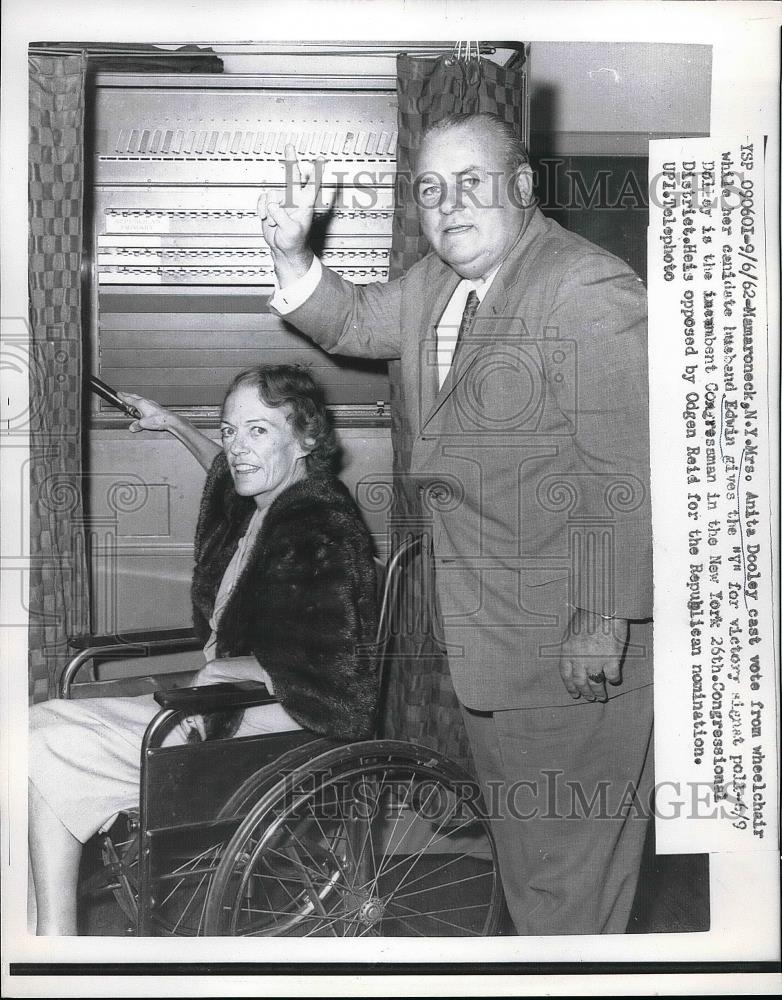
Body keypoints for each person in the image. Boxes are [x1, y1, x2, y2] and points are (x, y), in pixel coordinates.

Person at [256, 112, 654, 935]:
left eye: (470, 182)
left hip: (573, 644)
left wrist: (604, 613)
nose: (448, 205)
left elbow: (628, 469)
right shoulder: (438, 283)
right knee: (534, 876)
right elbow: (357, 321)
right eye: (430, 190)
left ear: (522, 185)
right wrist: (296, 258)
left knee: (570, 887)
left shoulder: (583, 288)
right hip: (494, 645)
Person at [28, 364, 378, 935]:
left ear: (307, 439)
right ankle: (49, 935)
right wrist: (171, 423)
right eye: (228, 429)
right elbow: (221, 469)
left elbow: (335, 676)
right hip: (224, 705)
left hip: (268, 728)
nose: (236, 447)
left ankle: (53, 940)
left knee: (39, 742)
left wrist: (222, 668)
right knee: (35, 739)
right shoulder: (269, 503)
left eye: (258, 431)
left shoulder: (319, 527)